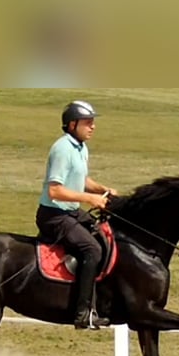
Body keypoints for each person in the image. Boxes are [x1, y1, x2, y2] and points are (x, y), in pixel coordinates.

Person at [35, 100, 117, 330]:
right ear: (72, 124)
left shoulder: (80, 147)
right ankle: (83, 313)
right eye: (88, 122)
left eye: (93, 123)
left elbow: (82, 179)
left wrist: (102, 190)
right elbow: (55, 190)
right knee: (91, 249)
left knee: (105, 234)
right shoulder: (62, 149)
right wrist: (90, 199)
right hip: (54, 216)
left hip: (70, 213)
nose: (93, 127)